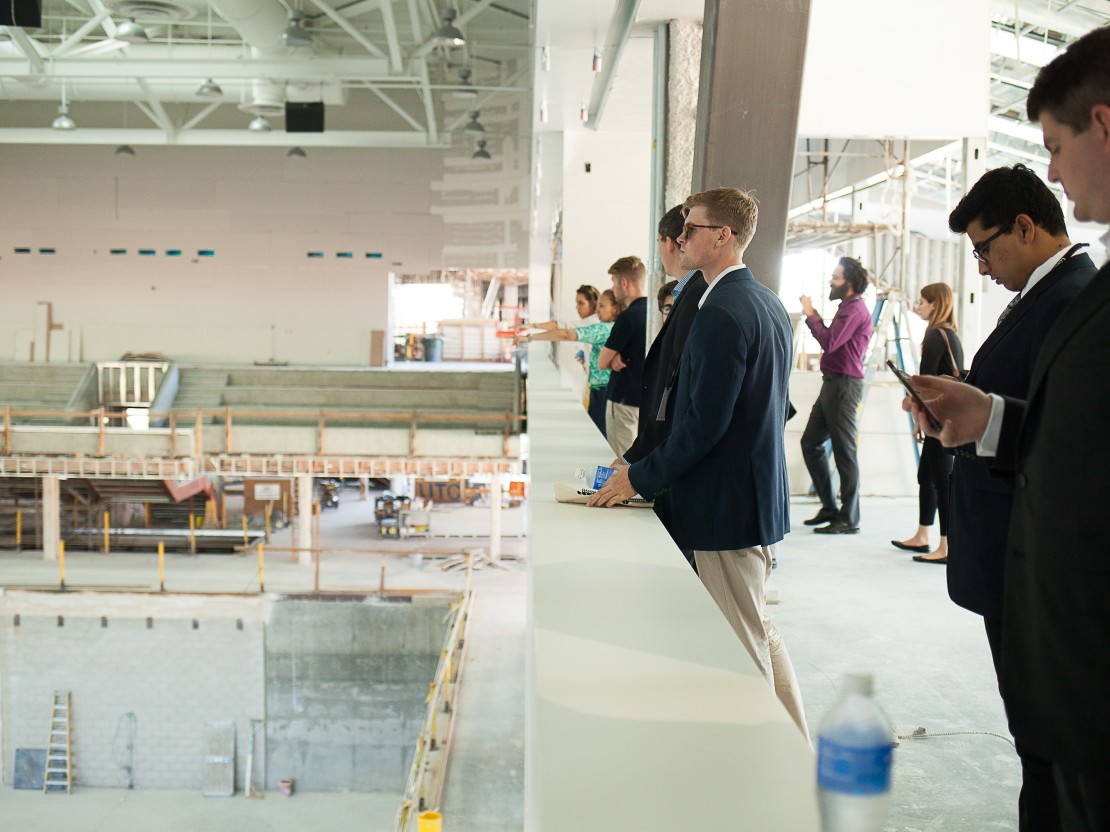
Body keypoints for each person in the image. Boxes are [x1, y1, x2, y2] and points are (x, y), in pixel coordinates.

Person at [905, 26, 1110, 830]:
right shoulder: (1067, 298)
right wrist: (984, 414)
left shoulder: (1076, 294)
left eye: (1057, 146)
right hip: (1045, 598)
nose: (1054, 168)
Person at [588, 187, 807, 737]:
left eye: (692, 229)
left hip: (723, 506)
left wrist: (638, 476)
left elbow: (703, 425)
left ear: (723, 236)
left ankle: (766, 769)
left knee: (741, 649)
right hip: (745, 496)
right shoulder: (762, 301)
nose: (682, 239)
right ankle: (795, 752)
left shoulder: (723, 312)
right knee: (758, 629)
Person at [942, 163, 1097, 831]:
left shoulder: (1072, 299)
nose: (979, 267)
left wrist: (988, 418)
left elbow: (1070, 436)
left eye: (984, 248)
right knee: (1034, 737)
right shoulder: (1044, 295)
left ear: (1026, 227)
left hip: (1029, 555)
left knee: (1047, 746)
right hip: (1010, 548)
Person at [621, 204, 708, 468]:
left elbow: (678, 391)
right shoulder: (684, 294)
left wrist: (641, 464)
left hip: (678, 458)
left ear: (668, 242)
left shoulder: (699, 298)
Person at [799, 257, 873, 534]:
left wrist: (810, 313)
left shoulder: (854, 309)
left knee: (844, 452)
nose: (831, 281)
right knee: (811, 443)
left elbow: (830, 342)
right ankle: (830, 507)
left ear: (849, 283)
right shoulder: (847, 308)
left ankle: (849, 518)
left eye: (836, 277)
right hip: (832, 384)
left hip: (844, 386)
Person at [892, 282, 963, 564]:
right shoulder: (948, 334)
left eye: (922, 302)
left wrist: (915, 413)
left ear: (935, 304)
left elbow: (926, 384)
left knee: (942, 480)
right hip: (942, 415)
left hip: (939, 418)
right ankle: (923, 535)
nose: (918, 306)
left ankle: (946, 545)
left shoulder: (935, 334)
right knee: (928, 477)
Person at [520, 289, 623, 436]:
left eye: (602, 306)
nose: (597, 311)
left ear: (615, 308)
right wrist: (588, 358)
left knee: (600, 435)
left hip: (603, 391)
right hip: (603, 389)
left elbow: (565, 332)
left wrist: (528, 337)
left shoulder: (603, 328)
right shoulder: (616, 327)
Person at [599, 255, 648, 458]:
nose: (613, 287)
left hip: (623, 401)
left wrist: (613, 357)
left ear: (624, 283)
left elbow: (602, 362)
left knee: (623, 463)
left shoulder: (628, 317)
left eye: (614, 282)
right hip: (645, 400)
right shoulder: (655, 311)